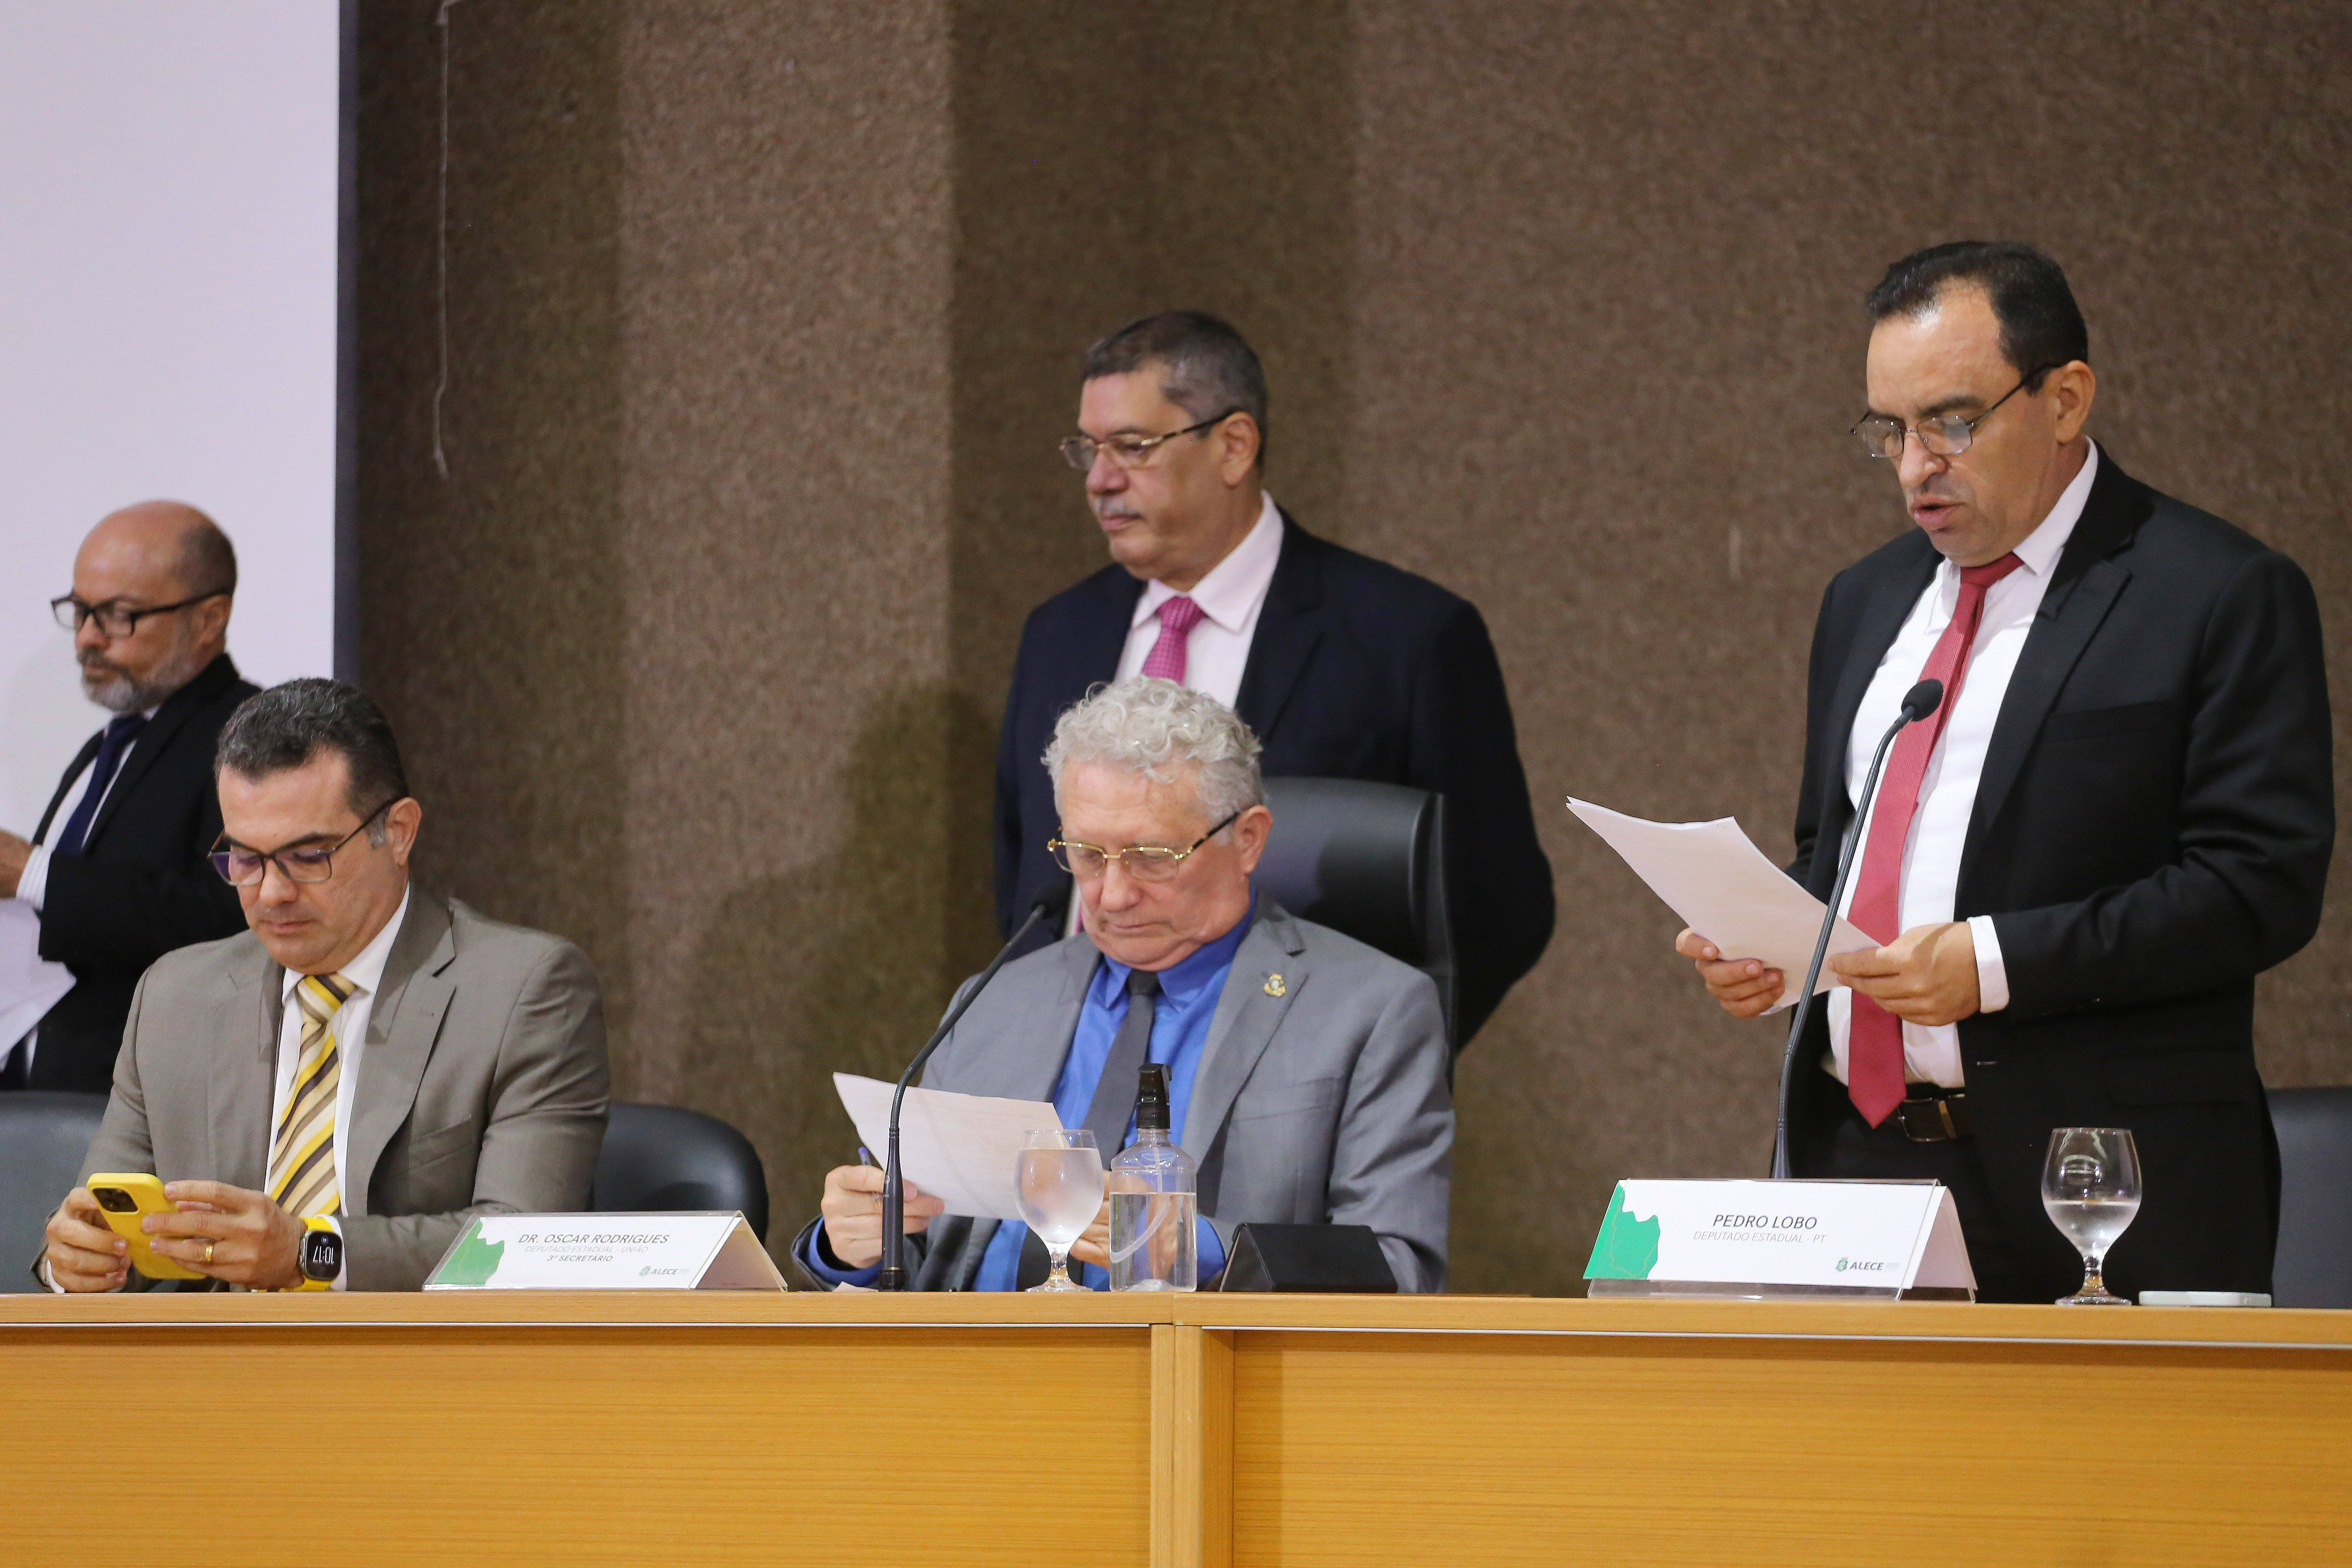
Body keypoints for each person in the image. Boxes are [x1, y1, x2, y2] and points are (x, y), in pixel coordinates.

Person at [1674, 242, 2333, 1304]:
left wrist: (1990, 963)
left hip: (2106, 1181)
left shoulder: (2216, 593)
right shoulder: (1866, 600)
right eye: (1889, 430)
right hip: (1864, 1164)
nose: (1914, 466)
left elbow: (2258, 888)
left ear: (2066, 399)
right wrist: (1774, 941)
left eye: (1953, 421)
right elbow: (1835, 853)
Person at [994, 311, 1553, 1048]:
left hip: (1295, 1102)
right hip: (1071, 1086)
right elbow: (1025, 874)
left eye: (1132, 446)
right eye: (1089, 449)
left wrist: (1366, 1071)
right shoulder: (1059, 633)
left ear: (1233, 447)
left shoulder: (1404, 638)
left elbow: (1500, 907)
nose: (1100, 479)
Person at [805, 678, 1453, 1292]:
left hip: (1196, 1385)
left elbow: (1398, 1267)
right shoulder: (995, 1001)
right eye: (1087, 855)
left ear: (1248, 840)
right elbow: (927, 1257)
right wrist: (854, 1244)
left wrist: (1196, 1249)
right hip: (969, 1373)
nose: (1112, 895)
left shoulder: (1369, 1010)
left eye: (1152, 858)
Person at [38, 678, 609, 1292]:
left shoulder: (524, 991)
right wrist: (73, 1264)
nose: (273, 893)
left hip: (411, 1373)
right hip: (209, 1373)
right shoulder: (175, 997)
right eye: (245, 859)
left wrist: (310, 1251)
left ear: (398, 832)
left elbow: (521, 1242)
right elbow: (97, 1230)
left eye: (309, 856)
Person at [0, 502, 258, 1092]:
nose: (88, 638)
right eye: (80, 610)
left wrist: (32, 873)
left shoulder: (251, 736)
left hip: (143, 1110)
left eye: (118, 616)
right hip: (38, 1099)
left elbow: (232, 917)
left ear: (208, 620)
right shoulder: (109, 744)